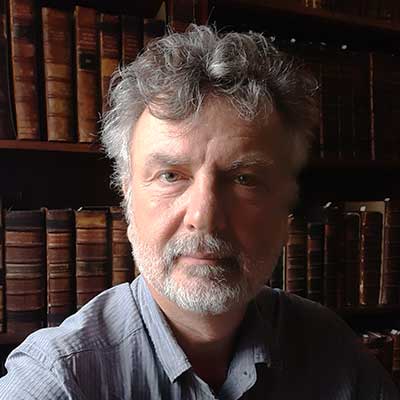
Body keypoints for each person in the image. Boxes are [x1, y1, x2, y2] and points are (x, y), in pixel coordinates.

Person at [0, 25, 398, 400]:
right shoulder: (59, 379)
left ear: (284, 211)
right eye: (170, 175)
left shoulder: (332, 350)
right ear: (128, 201)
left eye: (244, 179)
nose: (204, 217)